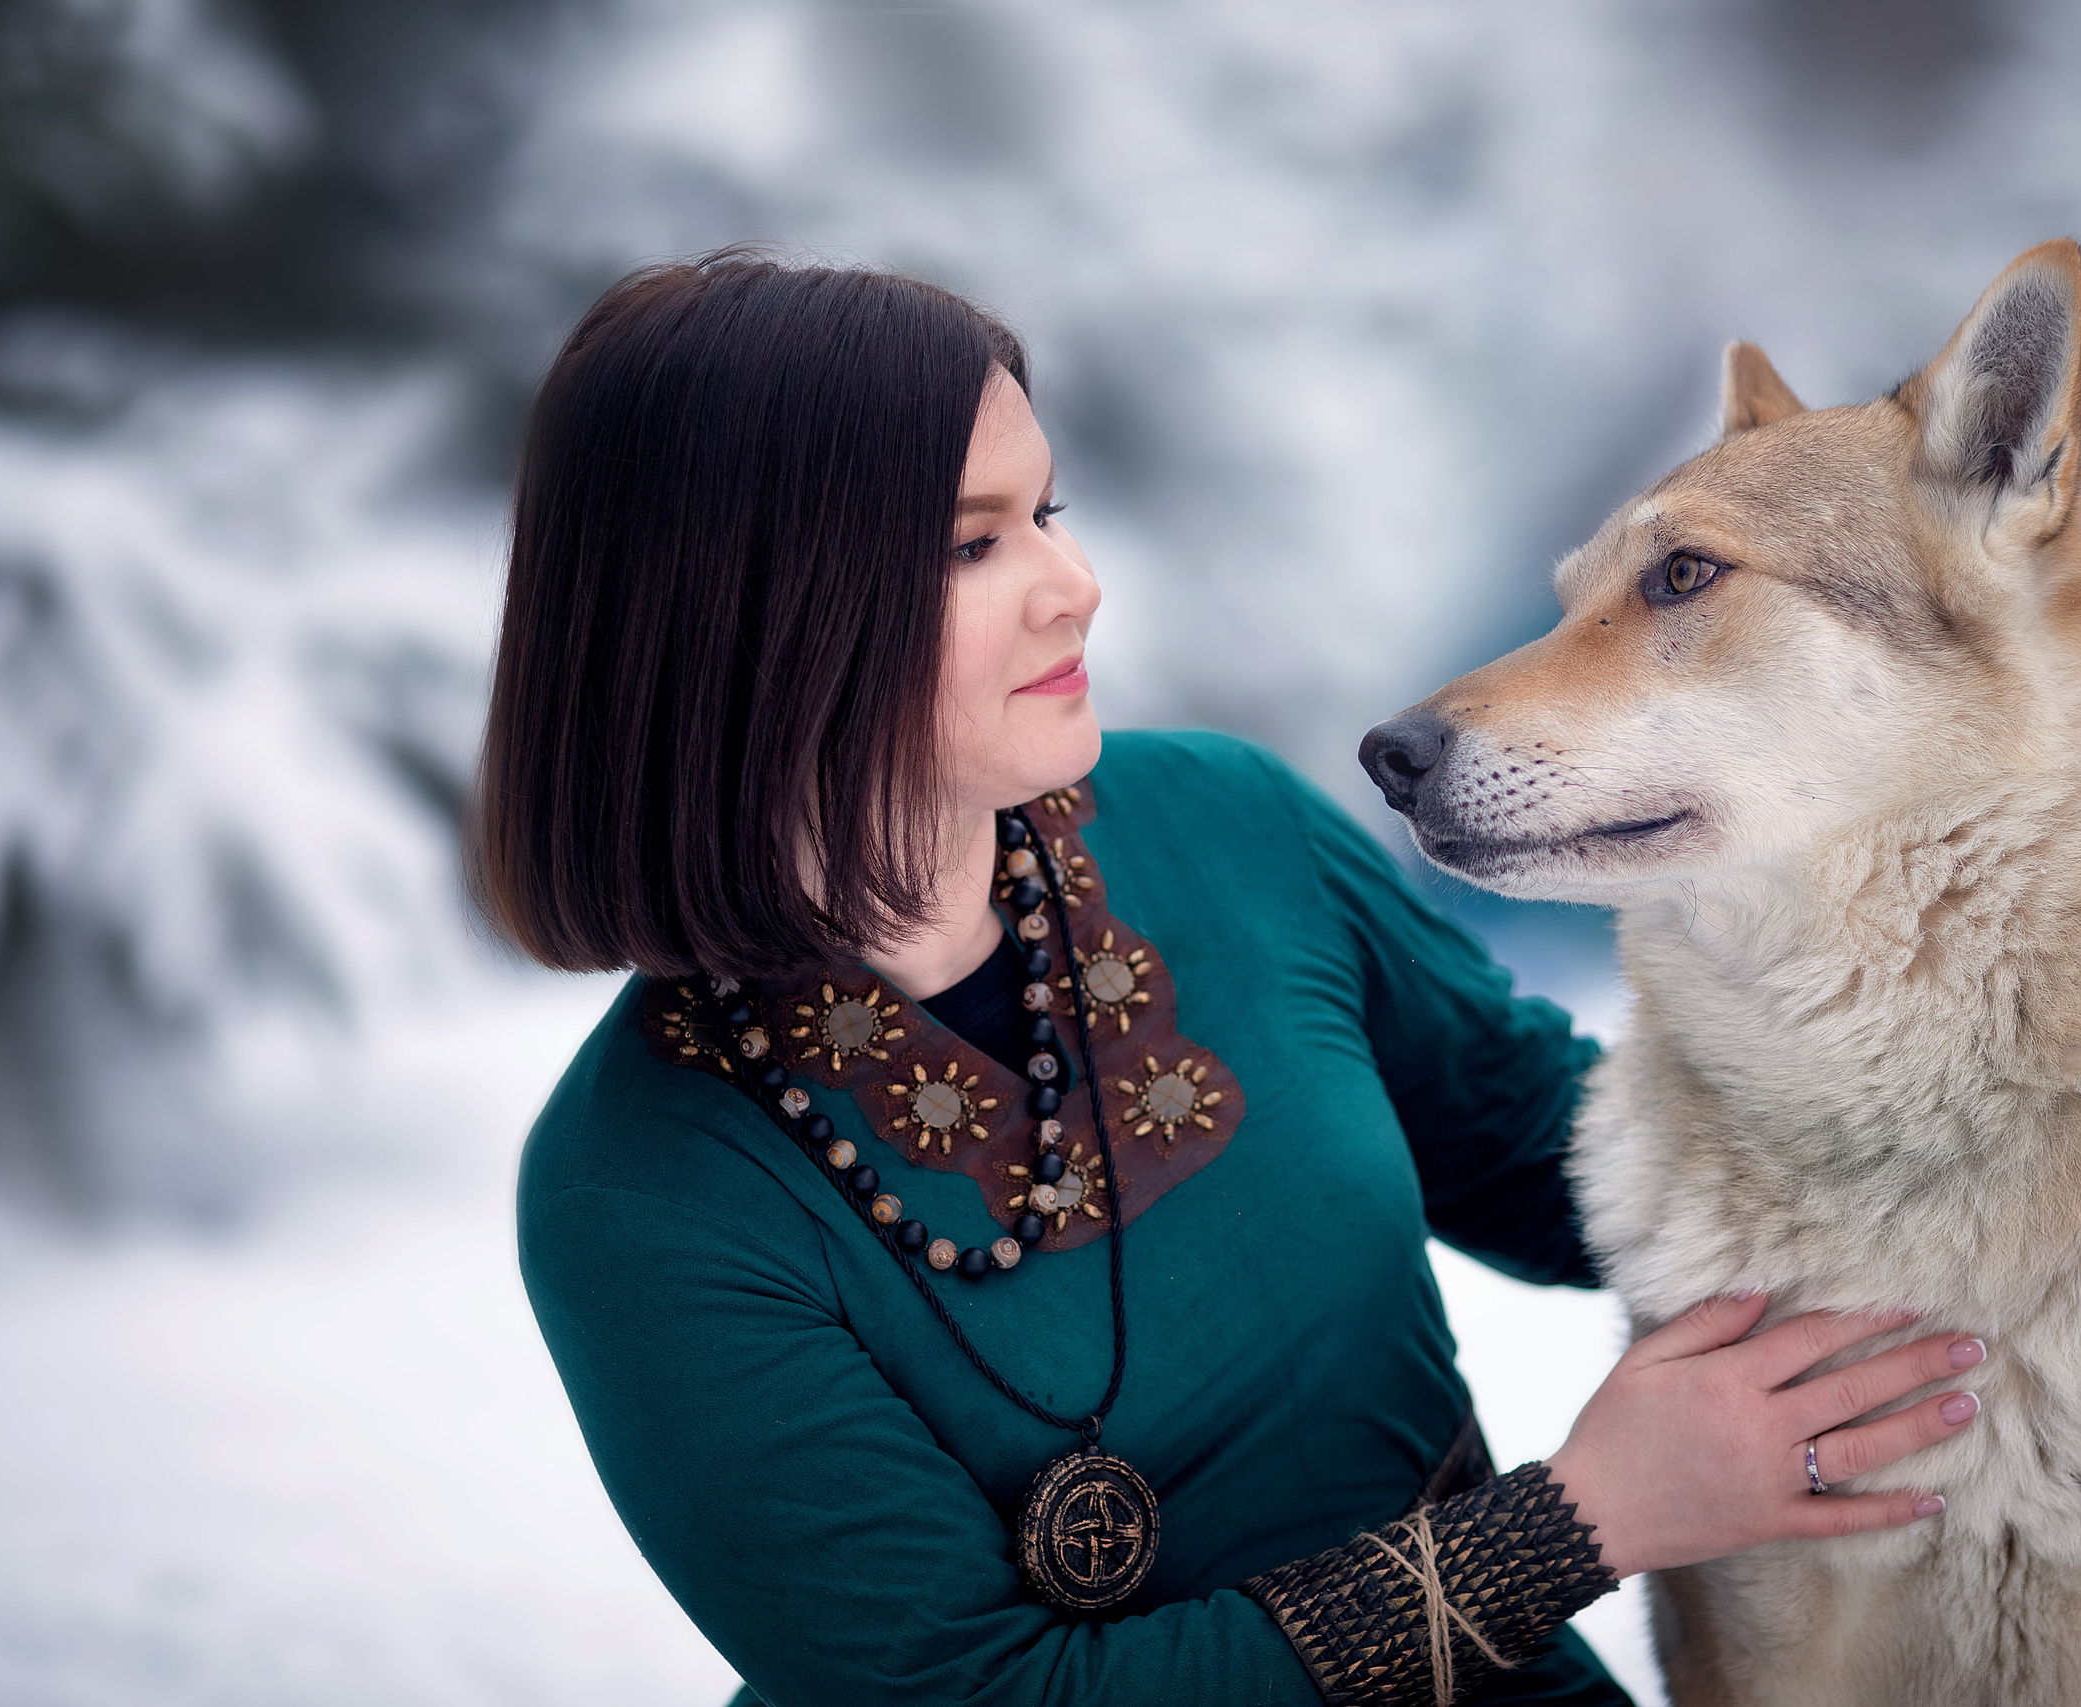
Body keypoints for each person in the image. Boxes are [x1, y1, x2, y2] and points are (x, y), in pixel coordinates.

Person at [475, 250, 1986, 1706]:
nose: (1075, 585)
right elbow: (986, 1702)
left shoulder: (1223, 823)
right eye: (970, 542)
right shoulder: (643, 1195)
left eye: (1047, 512)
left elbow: (1573, 1160)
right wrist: (1579, 1522)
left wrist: (2020, 1116)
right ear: (745, 616)